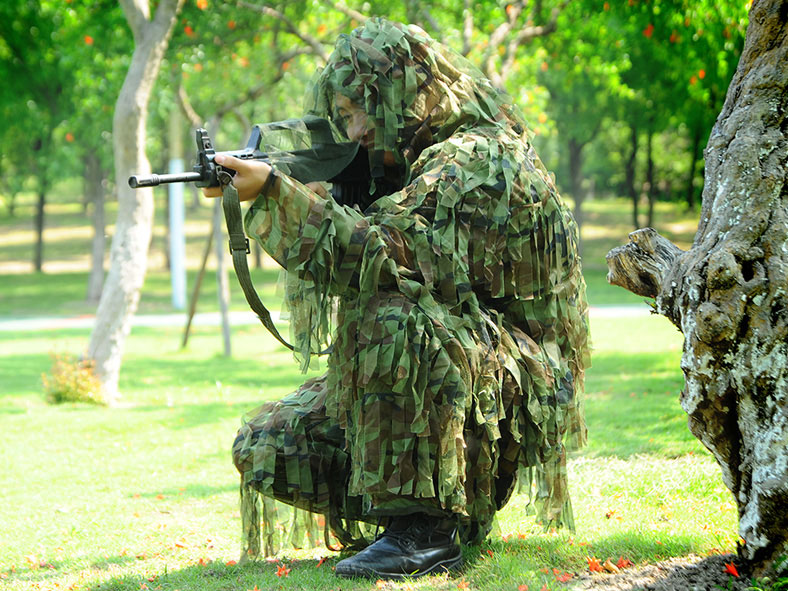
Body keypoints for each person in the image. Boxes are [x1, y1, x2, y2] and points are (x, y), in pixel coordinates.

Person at [203, 18, 590, 580]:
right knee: (267, 446)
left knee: (391, 315)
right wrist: (299, 187)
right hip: (464, 380)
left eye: (362, 110)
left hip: (518, 390)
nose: (355, 129)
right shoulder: (404, 166)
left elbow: (379, 257)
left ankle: (425, 532)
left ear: (407, 93)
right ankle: (438, 499)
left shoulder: (477, 161)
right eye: (344, 116)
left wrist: (273, 193)